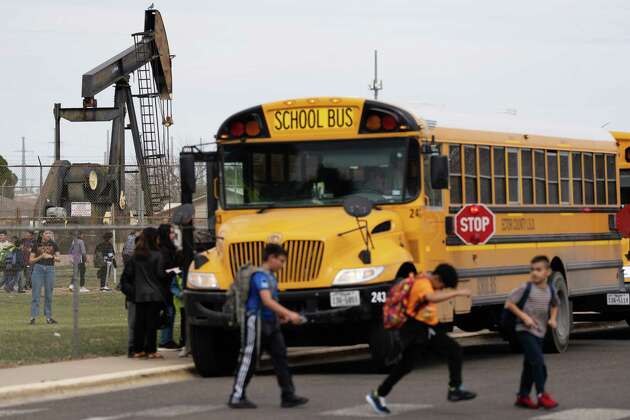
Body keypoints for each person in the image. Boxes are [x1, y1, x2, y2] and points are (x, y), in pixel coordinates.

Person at [366, 264, 476, 415]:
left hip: (423, 326)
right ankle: (454, 389)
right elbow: (431, 297)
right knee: (454, 350)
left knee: (406, 365)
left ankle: (378, 395)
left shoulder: (425, 280)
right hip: (419, 327)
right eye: (442, 286)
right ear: (437, 278)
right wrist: (457, 293)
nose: (441, 289)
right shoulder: (423, 284)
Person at [229, 243, 308, 409]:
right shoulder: (260, 276)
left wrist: (280, 316)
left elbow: (271, 302)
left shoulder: (271, 276)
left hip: (271, 322)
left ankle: (288, 395)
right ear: (271, 258)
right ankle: (237, 396)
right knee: (248, 358)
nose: (282, 265)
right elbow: (266, 300)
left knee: (281, 358)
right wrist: (289, 314)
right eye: (281, 260)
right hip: (256, 321)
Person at [505, 255, 559, 410]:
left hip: (540, 332)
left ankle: (523, 396)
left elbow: (555, 305)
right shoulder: (525, 288)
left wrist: (553, 319)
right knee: (538, 362)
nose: (535, 273)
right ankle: (542, 394)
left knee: (530, 365)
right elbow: (509, 303)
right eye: (532, 270)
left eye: (539, 269)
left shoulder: (550, 290)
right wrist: (525, 317)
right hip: (524, 330)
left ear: (547, 272)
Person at [131, 227, 166, 359]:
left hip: (139, 293)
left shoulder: (136, 255)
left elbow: (132, 274)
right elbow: (160, 274)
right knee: (151, 323)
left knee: (139, 323)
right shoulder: (157, 255)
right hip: (154, 293)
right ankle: (151, 350)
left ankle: (138, 349)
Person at [157, 224, 181, 350]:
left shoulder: (170, 249)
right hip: (164, 287)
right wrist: (175, 270)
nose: (173, 235)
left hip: (169, 285)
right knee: (169, 311)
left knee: (171, 310)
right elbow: (162, 271)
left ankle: (167, 339)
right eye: (171, 233)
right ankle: (165, 340)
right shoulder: (163, 251)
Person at [30, 230, 60, 324]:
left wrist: (50, 257)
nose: (48, 235)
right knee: (36, 294)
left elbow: (58, 259)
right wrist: (41, 256)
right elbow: (31, 260)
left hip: (50, 269)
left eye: (50, 233)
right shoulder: (36, 245)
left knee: (49, 295)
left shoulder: (54, 245)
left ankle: (48, 317)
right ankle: (33, 317)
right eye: (46, 233)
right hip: (38, 269)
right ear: (42, 235)